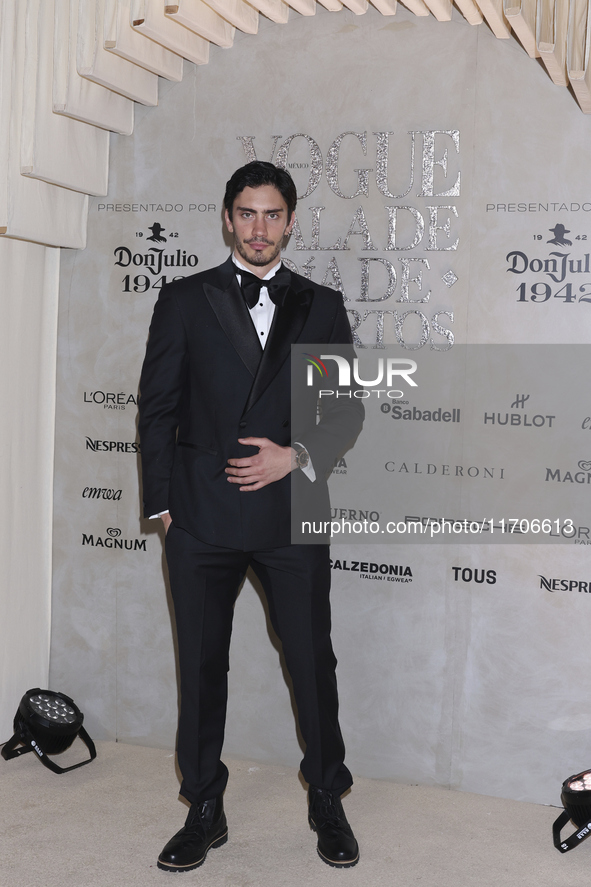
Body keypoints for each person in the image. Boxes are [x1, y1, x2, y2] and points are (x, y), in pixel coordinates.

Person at [138, 161, 363, 873]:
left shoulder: (322, 305)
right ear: (227, 218)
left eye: (271, 214)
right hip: (200, 518)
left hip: (291, 510)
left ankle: (326, 793)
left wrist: (292, 455)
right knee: (200, 667)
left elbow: (346, 409)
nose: (258, 227)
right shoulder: (183, 298)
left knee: (310, 660)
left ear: (290, 220)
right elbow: (158, 409)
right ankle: (203, 805)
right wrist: (164, 508)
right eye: (246, 213)